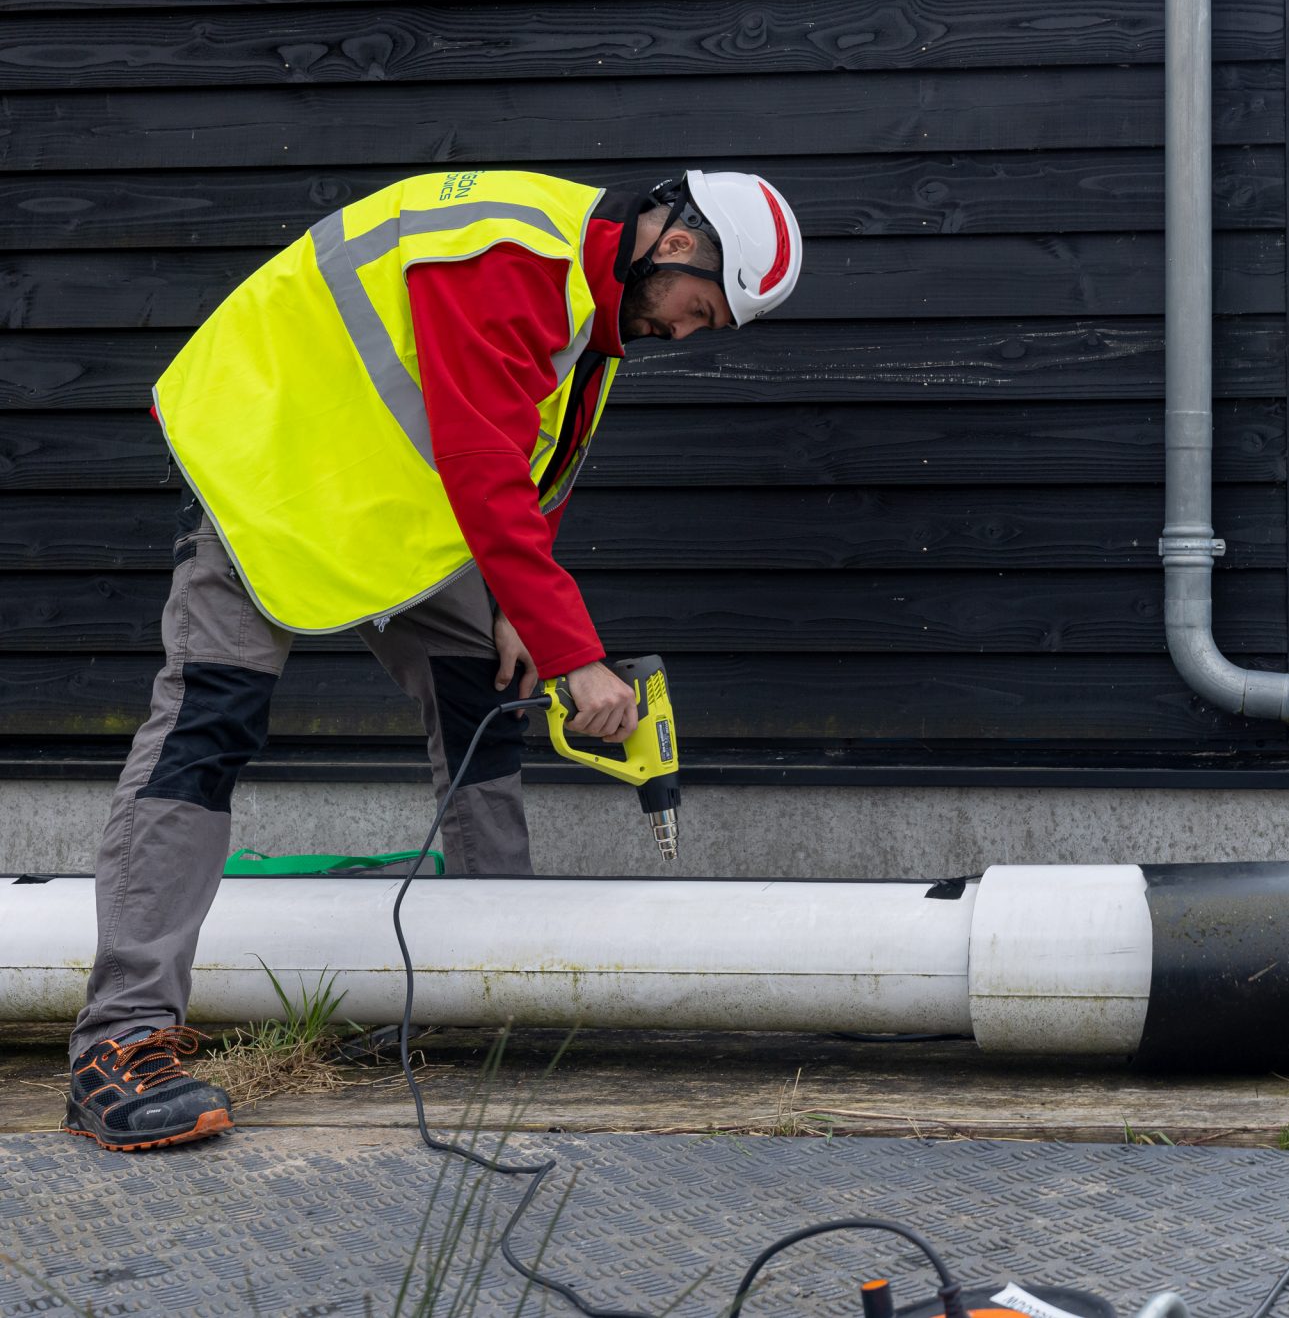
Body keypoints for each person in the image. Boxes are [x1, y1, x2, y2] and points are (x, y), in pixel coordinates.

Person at [66, 167, 805, 1153]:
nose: (687, 334)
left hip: (381, 495)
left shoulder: (593, 307)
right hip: (274, 465)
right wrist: (572, 653)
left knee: (485, 686)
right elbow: (483, 467)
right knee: (212, 720)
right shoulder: (503, 253)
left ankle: (487, 983)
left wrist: (515, 610)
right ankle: (119, 1043)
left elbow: (545, 455)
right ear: (676, 246)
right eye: (701, 311)